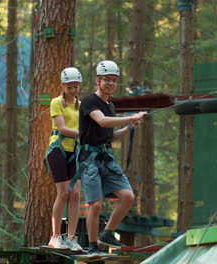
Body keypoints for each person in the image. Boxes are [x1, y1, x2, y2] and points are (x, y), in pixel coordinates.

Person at [77, 60, 147, 254]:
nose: (110, 84)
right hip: (89, 159)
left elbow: (110, 135)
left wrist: (128, 128)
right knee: (96, 204)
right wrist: (131, 117)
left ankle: (107, 233)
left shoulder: (111, 106)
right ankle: (92, 246)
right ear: (98, 80)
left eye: (114, 80)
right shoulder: (89, 100)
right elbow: (103, 121)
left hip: (105, 158)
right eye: (107, 80)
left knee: (127, 196)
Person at [44, 67, 84, 251]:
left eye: (76, 86)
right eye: (70, 87)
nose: (73, 90)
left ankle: (71, 238)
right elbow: (62, 128)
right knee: (64, 193)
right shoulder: (56, 102)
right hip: (58, 149)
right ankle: (55, 236)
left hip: (74, 151)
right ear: (63, 86)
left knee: (75, 194)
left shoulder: (81, 105)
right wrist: (83, 134)